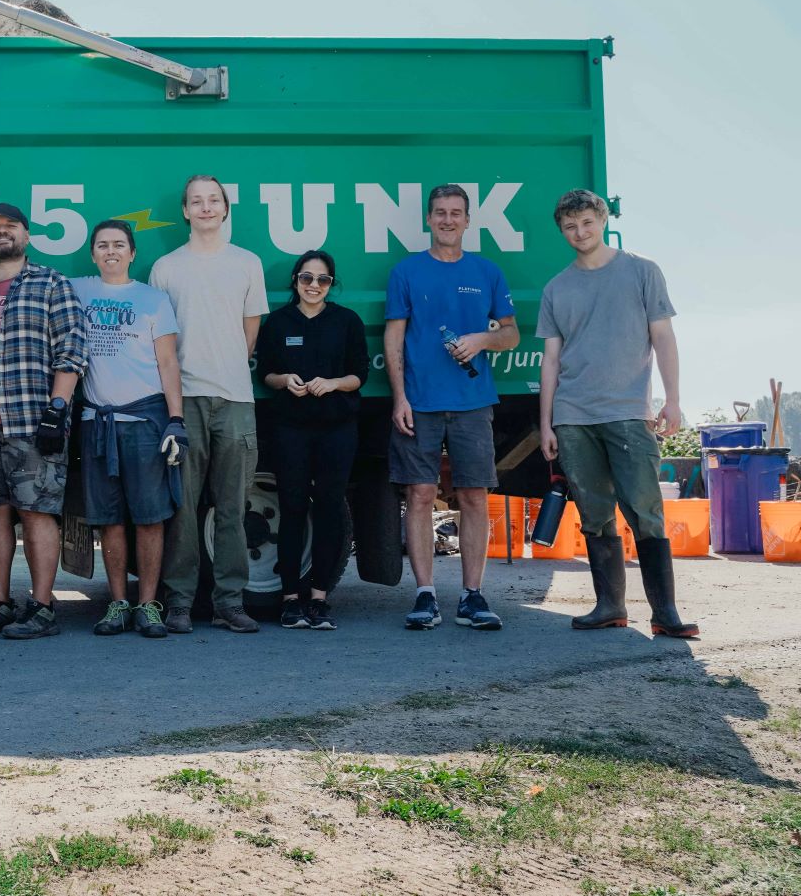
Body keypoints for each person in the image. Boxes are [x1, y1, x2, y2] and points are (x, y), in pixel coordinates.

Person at [538, 189, 697, 638]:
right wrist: (546, 423)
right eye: (570, 227)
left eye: (586, 223)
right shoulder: (557, 288)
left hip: (629, 412)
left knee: (646, 511)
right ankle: (609, 606)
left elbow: (663, 338)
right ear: (562, 231)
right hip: (573, 417)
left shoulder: (642, 271)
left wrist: (673, 399)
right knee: (594, 514)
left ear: (602, 220)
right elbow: (551, 361)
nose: (579, 232)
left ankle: (665, 612)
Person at [384, 183, 519, 631]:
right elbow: (394, 337)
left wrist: (483, 338)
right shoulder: (407, 271)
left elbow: (512, 334)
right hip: (419, 402)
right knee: (419, 495)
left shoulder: (487, 271)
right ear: (428, 219)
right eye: (439, 212)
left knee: (474, 496)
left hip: (473, 403)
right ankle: (425, 595)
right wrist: (399, 397)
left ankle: (472, 595)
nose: (447, 219)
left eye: (455, 213)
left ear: (467, 220)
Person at [0, 202, 88, 641]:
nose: (2, 232)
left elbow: (72, 349)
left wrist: (58, 409)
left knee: (36, 513)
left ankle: (44, 605)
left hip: (33, 418)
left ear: (26, 235)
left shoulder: (52, 283)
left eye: (10, 226)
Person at [150, 175, 267, 634]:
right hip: (184, 400)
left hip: (236, 398)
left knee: (233, 508)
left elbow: (250, 331)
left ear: (224, 208)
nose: (205, 208)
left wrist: (230, 366)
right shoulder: (166, 268)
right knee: (182, 507)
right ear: (185, 211)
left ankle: (230, 602)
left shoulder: (246, 264)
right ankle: (178, 602)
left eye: (213, 200)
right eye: (196, 201)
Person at [71, 219, 184, 640]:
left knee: (150, 517)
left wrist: (177, 420)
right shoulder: (78, 290)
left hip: (145, 422)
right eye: (102, 245)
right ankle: (117, 603)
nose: (111, 251)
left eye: (119, 244)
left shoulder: (153, 300)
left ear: (133, 253)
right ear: (93, 254)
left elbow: (168, 363)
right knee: (109, 519)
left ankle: (148, 605)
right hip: (97, 421)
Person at [256, 250, 368, 631]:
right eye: (307, 278)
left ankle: (319, 599)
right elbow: (266, 375)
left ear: (331, 285)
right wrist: (285, 380)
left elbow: (359, 375)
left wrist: (333, 383)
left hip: (337, 427)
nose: (314, 286)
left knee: (329, 508)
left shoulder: (347, 321)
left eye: (323, 280)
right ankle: (290, 600)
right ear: (295, 281)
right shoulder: (277, 323)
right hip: (290, 427)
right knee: (290, 508)